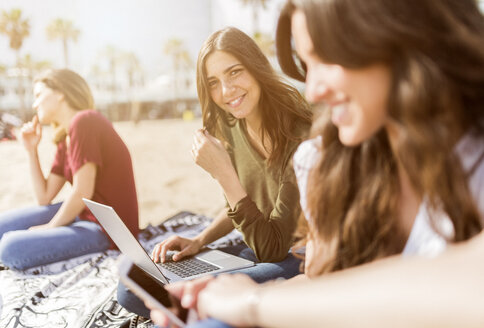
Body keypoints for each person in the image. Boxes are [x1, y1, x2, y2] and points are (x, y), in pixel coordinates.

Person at [148, 0, 484, 326]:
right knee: (169, 298)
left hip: (274, 247)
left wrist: (254, 303)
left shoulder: (305, 142)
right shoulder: (338, 158)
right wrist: (209, 255)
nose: (313, 91)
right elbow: (319, 277)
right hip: (272, 253)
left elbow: (465, 286)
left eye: (330, 57)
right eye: (308, 65)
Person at [116, 26, 312, 318]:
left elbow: (272, 247)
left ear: (257, 68)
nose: (226, 91)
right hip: (254, 245)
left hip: (296, 256)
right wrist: (200, 240)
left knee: (188, 296)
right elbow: (243, 201)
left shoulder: (298, 137)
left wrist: (224, 175)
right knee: (133, 287)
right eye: (213, 82)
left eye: (234, 72)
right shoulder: (233, 127)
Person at [0, 69, 139, 270]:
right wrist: (31, 150)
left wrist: (49, 228)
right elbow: (44, 197)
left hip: (108, 229)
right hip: (84, 214)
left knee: (9, 249)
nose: (34, 104)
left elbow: (82, 191)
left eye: (38, 95)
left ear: (60, 93)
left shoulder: (85, 121)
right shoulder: (65, 138)